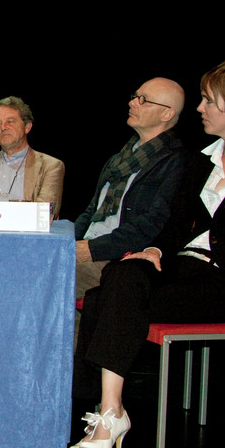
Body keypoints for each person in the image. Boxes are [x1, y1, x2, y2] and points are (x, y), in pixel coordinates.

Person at [70, 58, 225, 448]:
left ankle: (105, 410)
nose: (199, 109)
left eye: (208, 100)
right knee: (124, 275)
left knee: (104, 298)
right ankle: (111, 410)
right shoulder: (202, 161)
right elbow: (176, 224)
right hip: (182, 267)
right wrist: (154, 249)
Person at [73, 79, 187, 297]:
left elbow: (153, 223)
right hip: (88, 248)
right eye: (135, 96)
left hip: (117, 258)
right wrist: (65, 241)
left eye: (143, 100)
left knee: (33, 279)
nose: (133, 103)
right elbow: (90, 212)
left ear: (167, 114)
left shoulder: (176, 162)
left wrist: (91, 250)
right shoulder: (119, 159)